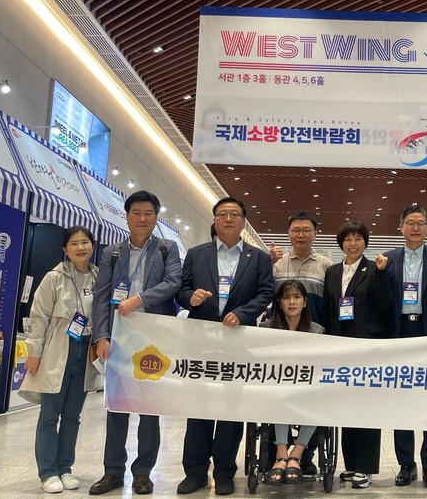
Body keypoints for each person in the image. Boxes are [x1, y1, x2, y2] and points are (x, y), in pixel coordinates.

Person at [176, 196, 273, 496]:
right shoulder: (196, 254)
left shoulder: (258, 258)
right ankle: (195, 472)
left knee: (231, 409)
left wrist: (243, 313)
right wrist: (190, 298)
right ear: (215, 220)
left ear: (243, 221)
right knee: (199, 407)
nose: (228, 219)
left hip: (238, 341)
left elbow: (266, 293)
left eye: (234, 214)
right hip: (201, 341)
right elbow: (181, 290)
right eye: (222, 214)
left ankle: (224, 472)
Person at [90, 190, 182, 496]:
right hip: (119, 337)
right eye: (136, 213)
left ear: (156, 218)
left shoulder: (167, 249)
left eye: (148, 213)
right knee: (116, 406)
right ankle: (113, 471)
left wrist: (139, 299)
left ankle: (143, 472)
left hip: (153, 339)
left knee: (149, 408)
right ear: (127, 216)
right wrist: (101, 336)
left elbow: (173, 283)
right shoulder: (112, 253)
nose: (142, 218)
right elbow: (101, 296)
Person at [19, 226, 98, 494]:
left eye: (85, 242)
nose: (80, 248)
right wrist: (34, 353)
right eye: (74, 243)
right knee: (50, 414)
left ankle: (65, 468)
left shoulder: (99, 277)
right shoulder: (54, 278)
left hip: (85, 349)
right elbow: (39, 316)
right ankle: (48, 472)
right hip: (57, 348)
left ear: (92, 246)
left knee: (73, 415)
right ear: (65, 249)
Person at [383, 204, 427, 491]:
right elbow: (381, 297)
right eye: (410, 222)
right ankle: (406, 465)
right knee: (403, 400)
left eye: (420, 223)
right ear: (401, 226)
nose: (415, 227)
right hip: (400, 332)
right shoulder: (389, 258)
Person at [322, 221, 391, 490]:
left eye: (358, 238)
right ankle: (351, 463)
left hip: (367, 345)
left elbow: (384, 303)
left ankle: (366, 466)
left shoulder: (375, 268)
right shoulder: (332, 271)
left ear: (365, 242)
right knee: (347, 404)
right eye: (348, 239)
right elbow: (328, 308)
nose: (353, 244)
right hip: (339, 344)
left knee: (367, 405)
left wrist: (383, 275)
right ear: (341, 243)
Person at [260, 280, 324, 485]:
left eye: (297, 297)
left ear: (305, 302)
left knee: (320, 400)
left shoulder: (317, 331)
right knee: (281, 394)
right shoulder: (266, 329)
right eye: (286, 297)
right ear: (279, 303)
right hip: (276, 388)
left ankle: (296, 453)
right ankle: (281, 454)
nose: (292, 302)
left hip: (307, 390)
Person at [270, 211, 332, 324]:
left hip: (315, 329)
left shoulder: (327, 266)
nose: (301, 235)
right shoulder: (277, 264)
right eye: (296, 230)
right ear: (289, 233)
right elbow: (264, 293)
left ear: (315, 233)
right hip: (280, 328)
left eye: (306, 230)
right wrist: (269, 264)